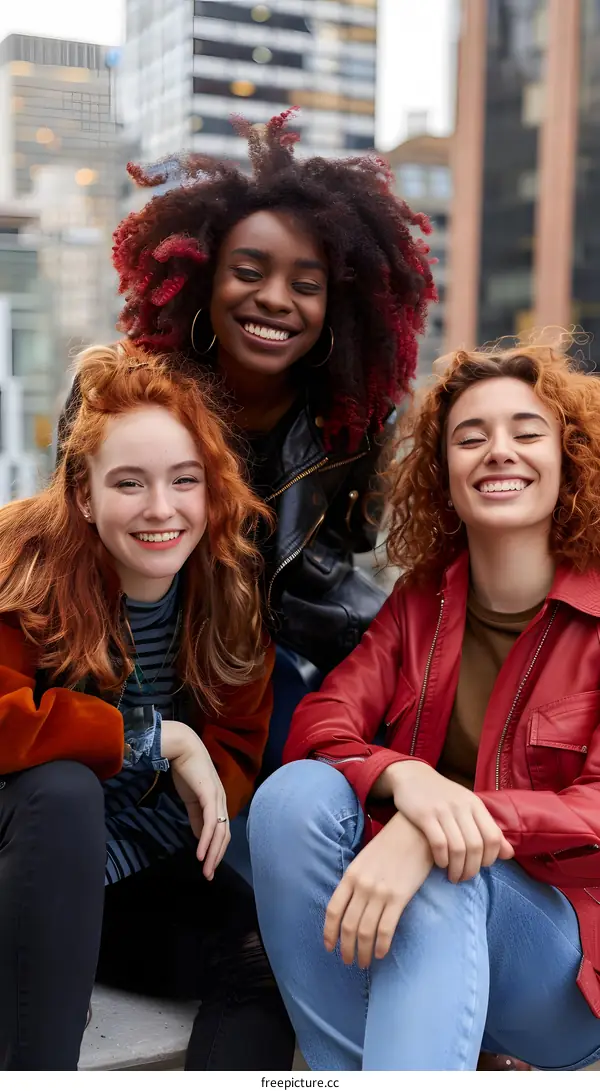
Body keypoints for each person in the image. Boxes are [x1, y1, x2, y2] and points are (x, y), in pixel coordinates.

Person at [248, 342, 600, 1072]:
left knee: (445, 867)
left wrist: (441, 826)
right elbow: (322, 722)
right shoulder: (420, 603)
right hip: (434, 935)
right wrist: (411, 783)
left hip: (567, 971)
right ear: (443, 473)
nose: (498, 451)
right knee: (290, 799)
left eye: (527, 432)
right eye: (471, 437)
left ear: (570, 459)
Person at [59, 109, 435, 781]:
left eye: (305, 285)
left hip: (273, 657)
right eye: (249, 271)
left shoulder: (351, 418)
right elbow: (67, 539)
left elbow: (349, 547)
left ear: (336, 305)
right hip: (133, 651)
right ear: (204, 276)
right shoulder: (121, 393)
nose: (275, 299)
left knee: (319, 775)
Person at [0, 342, 294, 1071]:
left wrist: (196, 760)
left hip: (124, 882)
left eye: (184, 480)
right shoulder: (21, 562)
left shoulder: (225, 591)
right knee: (63, 788)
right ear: (83, 492)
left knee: (272, 952)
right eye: (129, 482)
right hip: (22, 868)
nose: (161, 509)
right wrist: (154, 737)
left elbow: (231, 760)